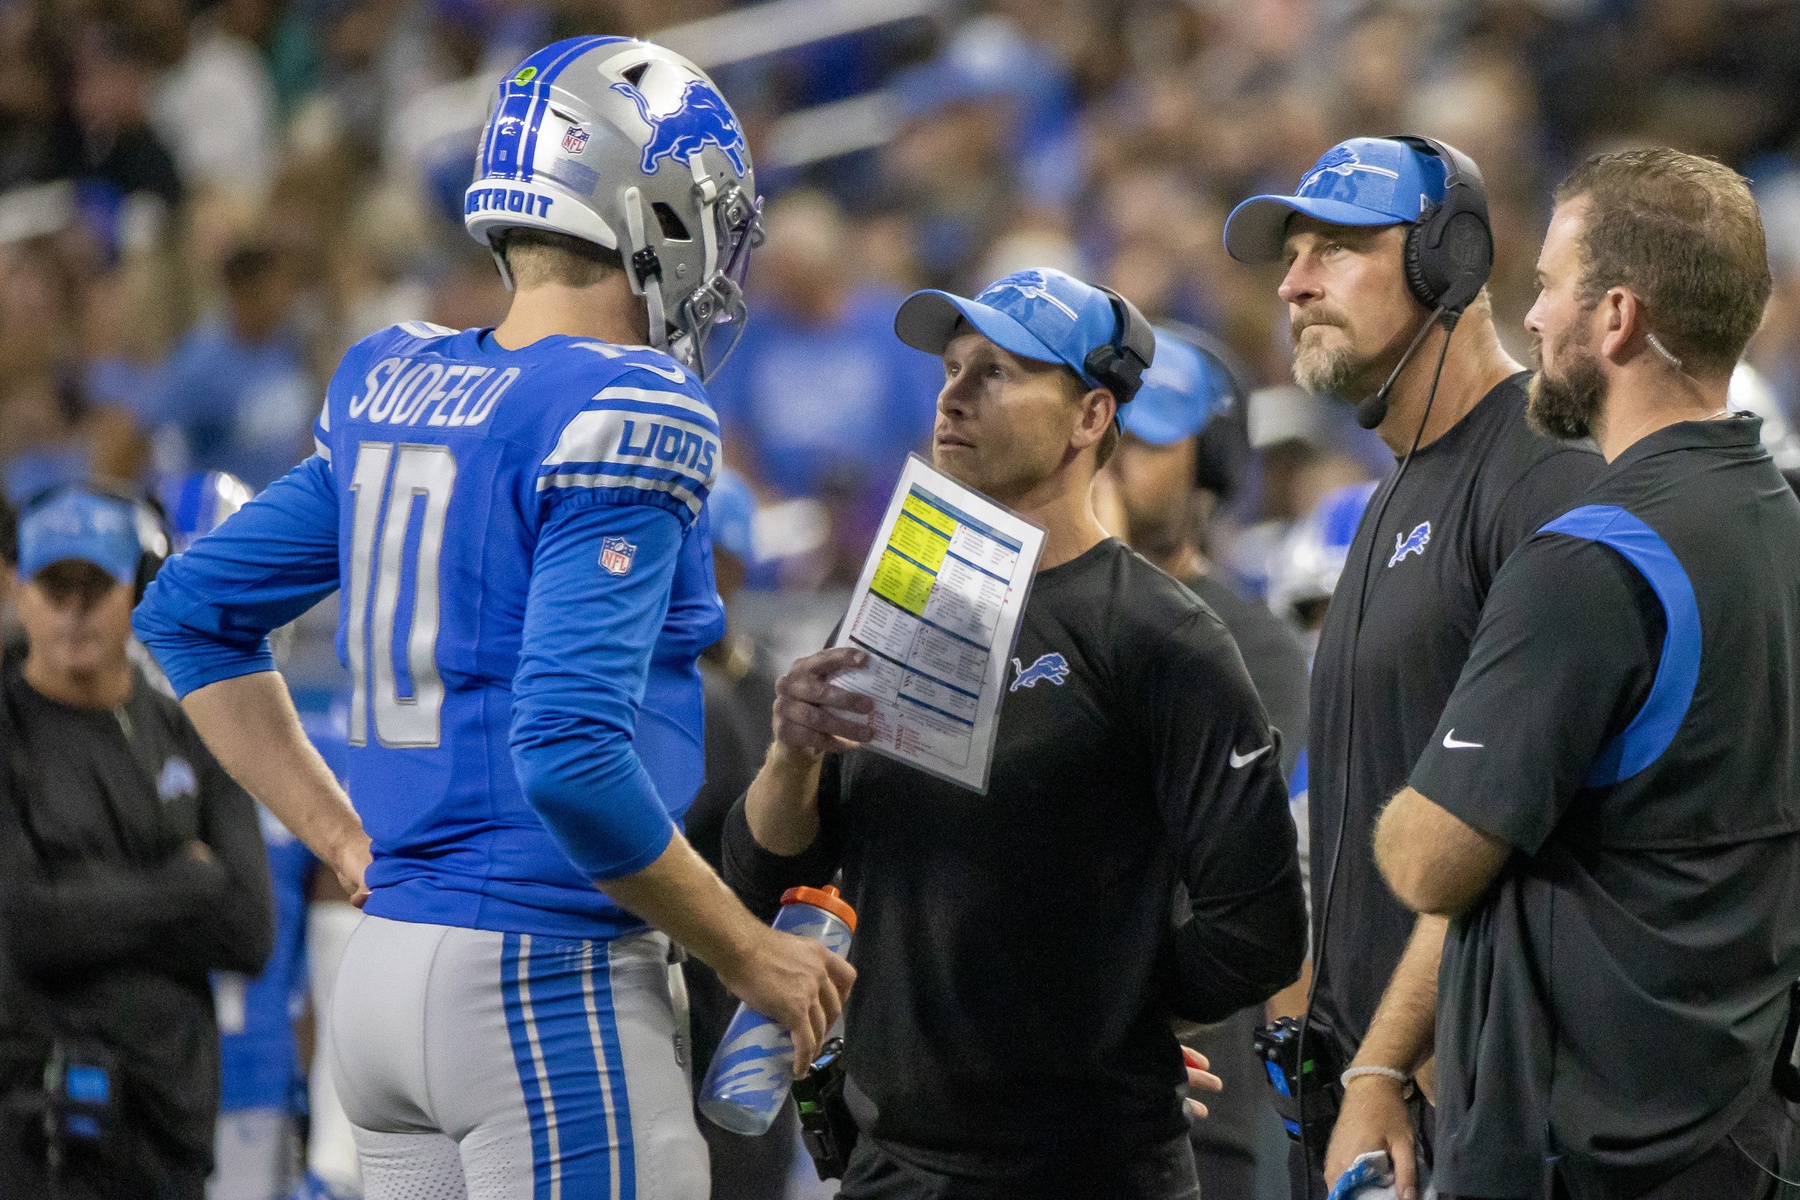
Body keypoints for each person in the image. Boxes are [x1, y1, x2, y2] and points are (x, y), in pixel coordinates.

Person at [131, 37, 852, 1199]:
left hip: (383, 984)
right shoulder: (628, 399)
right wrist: (748, 950)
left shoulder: (395, 382)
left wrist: (342, 837)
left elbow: (188, 615)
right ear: (651, 206)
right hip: (545, 983)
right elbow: (568, 753)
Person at [723, 266, 1307, 1198]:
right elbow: (764, 877)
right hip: (895, 1166)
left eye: (996, 372)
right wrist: (792, 755)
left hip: (1094, 1171)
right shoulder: (897, 605)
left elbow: (1261, 928)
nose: (952, 394)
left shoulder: (1163, 636)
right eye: (953, 367)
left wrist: (1118, 1019)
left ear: (1090, 418)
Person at [1377, 148, 1800, 1200]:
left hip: (1593, 1155)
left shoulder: (1590, 559)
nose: (1528, 320)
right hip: (1743, 1134)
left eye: (1545, 287)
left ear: (1616, 317)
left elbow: (1428, 861)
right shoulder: (1787, 525)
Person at [1221, 136, 1603, 1197]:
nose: (1294, 284)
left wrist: (1399, 1067)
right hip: (1370, 1113)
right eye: (1291, 256)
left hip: (1474, 1111)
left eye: (1335, 250)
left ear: (1449, 261)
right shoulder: (1391, 495)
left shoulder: (1546, 478)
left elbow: (1523, 823)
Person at [0, 485, 274, 1199]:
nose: (74, 609)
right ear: (22, 592)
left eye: (97, 584)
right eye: (55, 586)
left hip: (169, 1124)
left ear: (137, 590)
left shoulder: (190, 725)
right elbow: (28, 924)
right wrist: (183, 885)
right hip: (37, 1132)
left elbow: (249, 929)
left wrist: (89, 893)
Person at [1107, 325, 1312, 1200]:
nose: (1112, 463)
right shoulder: (1022, 608)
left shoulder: (1247, 642)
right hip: (1024, 1089)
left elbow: (1151, 815)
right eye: (1104, 435)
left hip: (1185, 1098)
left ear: (1212, 466)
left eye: (1147, 442)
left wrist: (1100, 567)